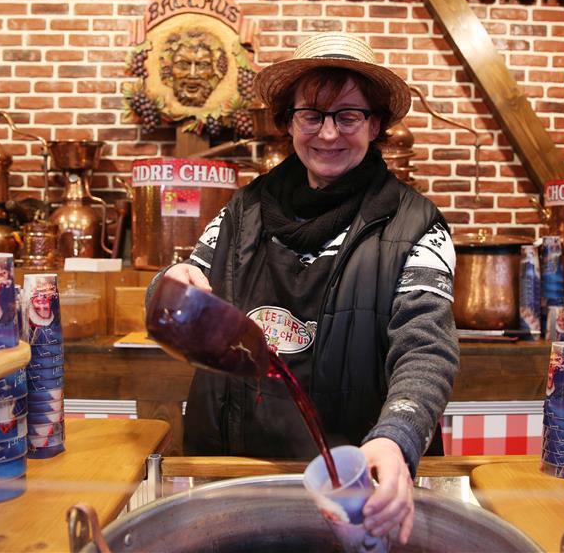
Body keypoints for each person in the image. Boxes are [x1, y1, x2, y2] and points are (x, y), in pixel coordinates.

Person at [147, 33, 459, 544]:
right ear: (289, 123)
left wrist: (397, 438)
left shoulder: (417, 225)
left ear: (375, 124)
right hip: (241, 473)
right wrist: (169, 287)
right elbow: (184, 287)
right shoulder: (240, 212)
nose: (329, 133)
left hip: (356, 483)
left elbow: (426, 349)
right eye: (311, 115)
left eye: (348, 116)